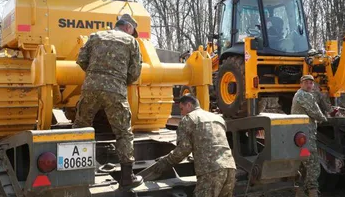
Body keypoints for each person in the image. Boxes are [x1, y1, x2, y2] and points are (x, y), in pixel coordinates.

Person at [73, 13, 143, 188]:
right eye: (133, 31)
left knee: (81, 128)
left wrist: (94, 76)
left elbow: (81, 60)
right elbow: (135, 73)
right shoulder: (131, 42)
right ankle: (127, 177)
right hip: (116, 90)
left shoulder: (95, 36)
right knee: (123, 132)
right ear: (128, 27)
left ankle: (75, 173)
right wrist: (119, 81)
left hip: (90, 89)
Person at [153, 94, 236, 197]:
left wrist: (165, 162)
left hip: (210, 170)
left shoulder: (188, 119)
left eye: (181, 109)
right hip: (230, 168)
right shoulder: (217, 118)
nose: (181, 113)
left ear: (189, 105)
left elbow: (183, 149)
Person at [291, 75, 337, 197]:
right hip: (306, 139)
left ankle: (300, 191)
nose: (309, 85)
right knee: (313, 165)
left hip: (301, 139)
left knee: (303, 163)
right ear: (301, 84)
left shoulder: (298, 94)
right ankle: (312, 191)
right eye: (306, 82)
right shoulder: (304, 95)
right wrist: (325, 118)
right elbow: (316, 113)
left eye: (311, 83)